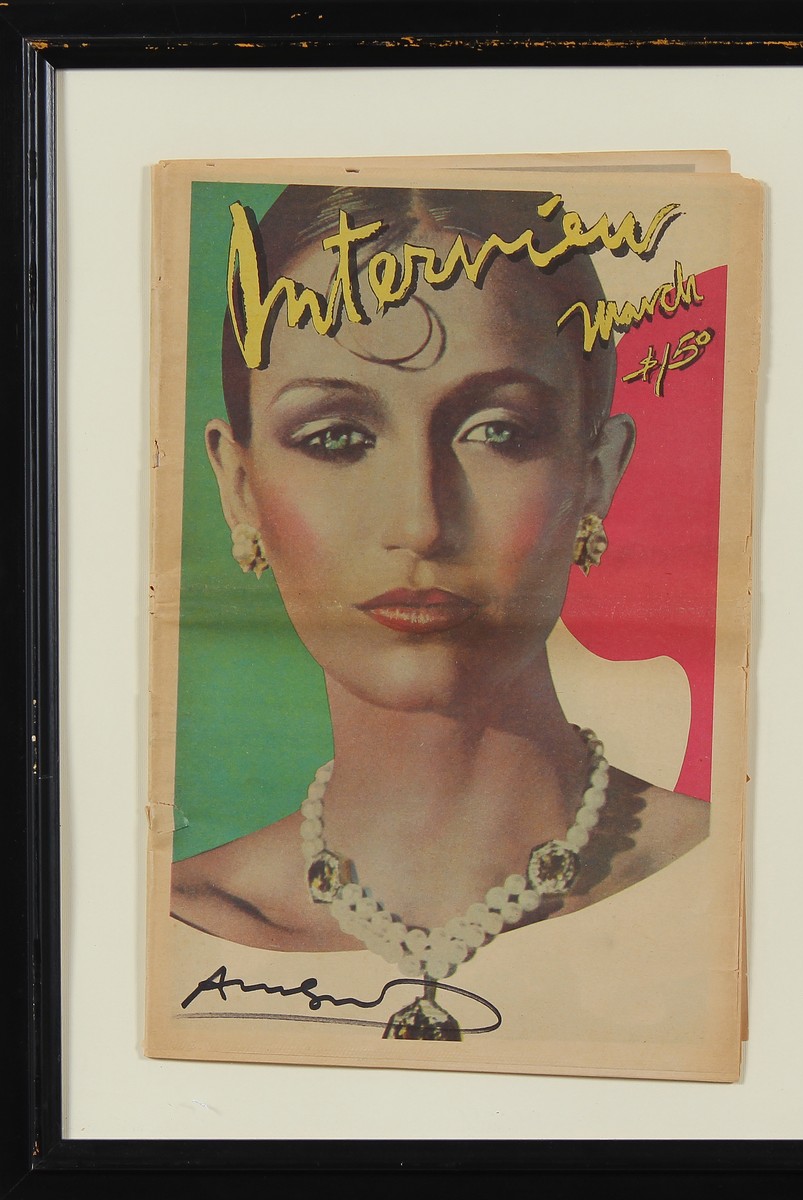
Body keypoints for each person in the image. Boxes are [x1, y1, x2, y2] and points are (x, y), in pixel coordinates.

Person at [170, 185, 708, 1037]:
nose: (421, 522)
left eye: (497, 432)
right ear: (240, 490)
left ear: (594, 476)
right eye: (336, 438)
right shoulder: (162, 934)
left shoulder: (738, 885)